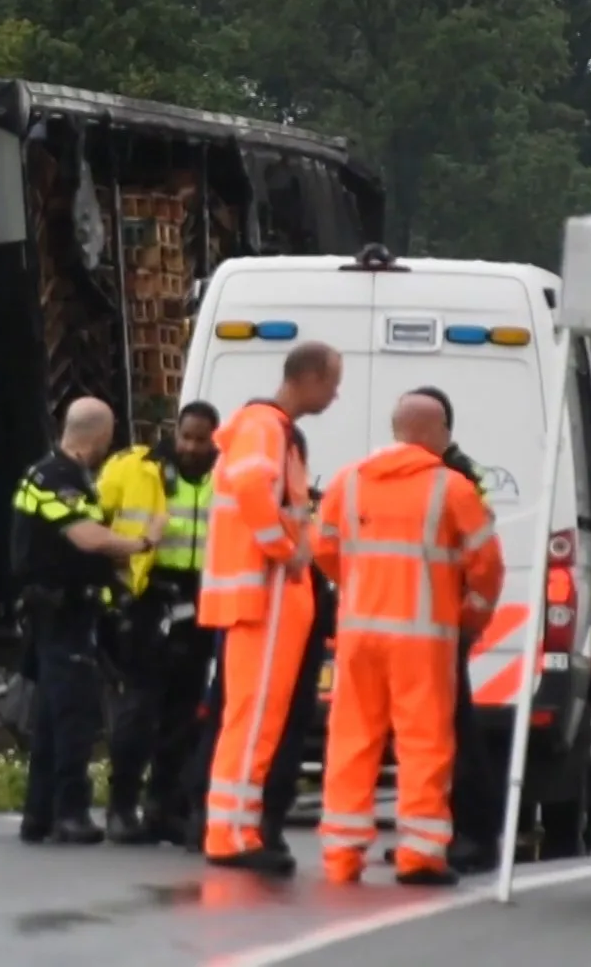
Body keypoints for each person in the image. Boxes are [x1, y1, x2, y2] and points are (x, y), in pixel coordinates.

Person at [313, 392, 506, 885]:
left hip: (359, 634)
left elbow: (323, 549)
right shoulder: (452, 488)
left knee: (352, 739)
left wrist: (358, 585)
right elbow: (486, 567)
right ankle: (419, 854)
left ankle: (342, 854)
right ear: (435, 431)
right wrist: (470, 616)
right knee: (424, 743)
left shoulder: (348, 482)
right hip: (424, 638)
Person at [201, 341, 342, 875]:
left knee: (257, 719)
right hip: (267, 596)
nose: (335, 396)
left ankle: (237, 828)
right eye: (332, 384)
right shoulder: (265, 427)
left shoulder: (270, 427)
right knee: (254, 717)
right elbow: (251, 488)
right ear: (310, 378)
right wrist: (284, 550)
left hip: (271, 597)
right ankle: (230, 834)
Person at [14, 397, 164, 846]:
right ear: (99, 435)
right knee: (74, 716)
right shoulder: (55, 478)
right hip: (60, 614)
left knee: (51, 718)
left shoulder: (66, 476)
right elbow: (86, 538)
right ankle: (70, 813)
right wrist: (142, 543)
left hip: (66, 612)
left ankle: (39, 815)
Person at [100, 401, 221, 845]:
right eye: (185, 436)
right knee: (139, 708)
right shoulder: (137, 468)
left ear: (214, 440)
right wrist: (114, 587)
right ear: (174, 431)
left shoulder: (224, 477)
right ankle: (121, 806)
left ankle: (164, 806)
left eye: (200, 439)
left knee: (185, 711)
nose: (190, 447)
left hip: (201, 598)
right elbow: (94, 520)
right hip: (148, 597)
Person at [403, 384, 501, 873]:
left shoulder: (459, 476)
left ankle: (475, 834)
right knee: (428, 734)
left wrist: (466, 618)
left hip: (442, 621)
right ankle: (431, 833)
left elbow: (477, 554)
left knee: (455, 733)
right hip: (419, 621)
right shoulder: (432, 473)